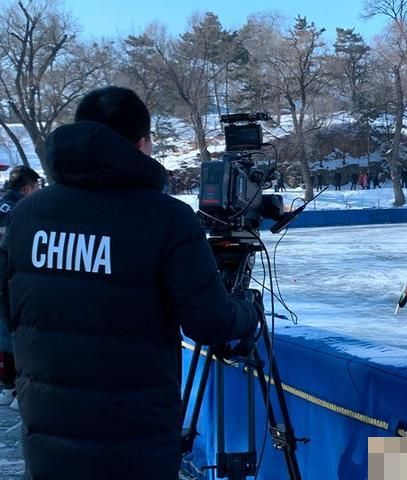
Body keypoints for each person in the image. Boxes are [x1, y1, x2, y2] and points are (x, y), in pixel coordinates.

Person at [0, 86, 260, 479]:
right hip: (134, 442)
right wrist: (248, 311)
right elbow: (210, 323)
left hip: (48, 429)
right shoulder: (165, 218)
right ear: (141, 144)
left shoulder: (26, 214)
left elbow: (9, 310)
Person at [0, 166, 41, 410]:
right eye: (36, 188)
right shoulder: (22, 210)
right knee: (18, 332)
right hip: (11, 279)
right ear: (27, 188)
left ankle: (7, 386)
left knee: (3, 334)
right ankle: (19, 389)